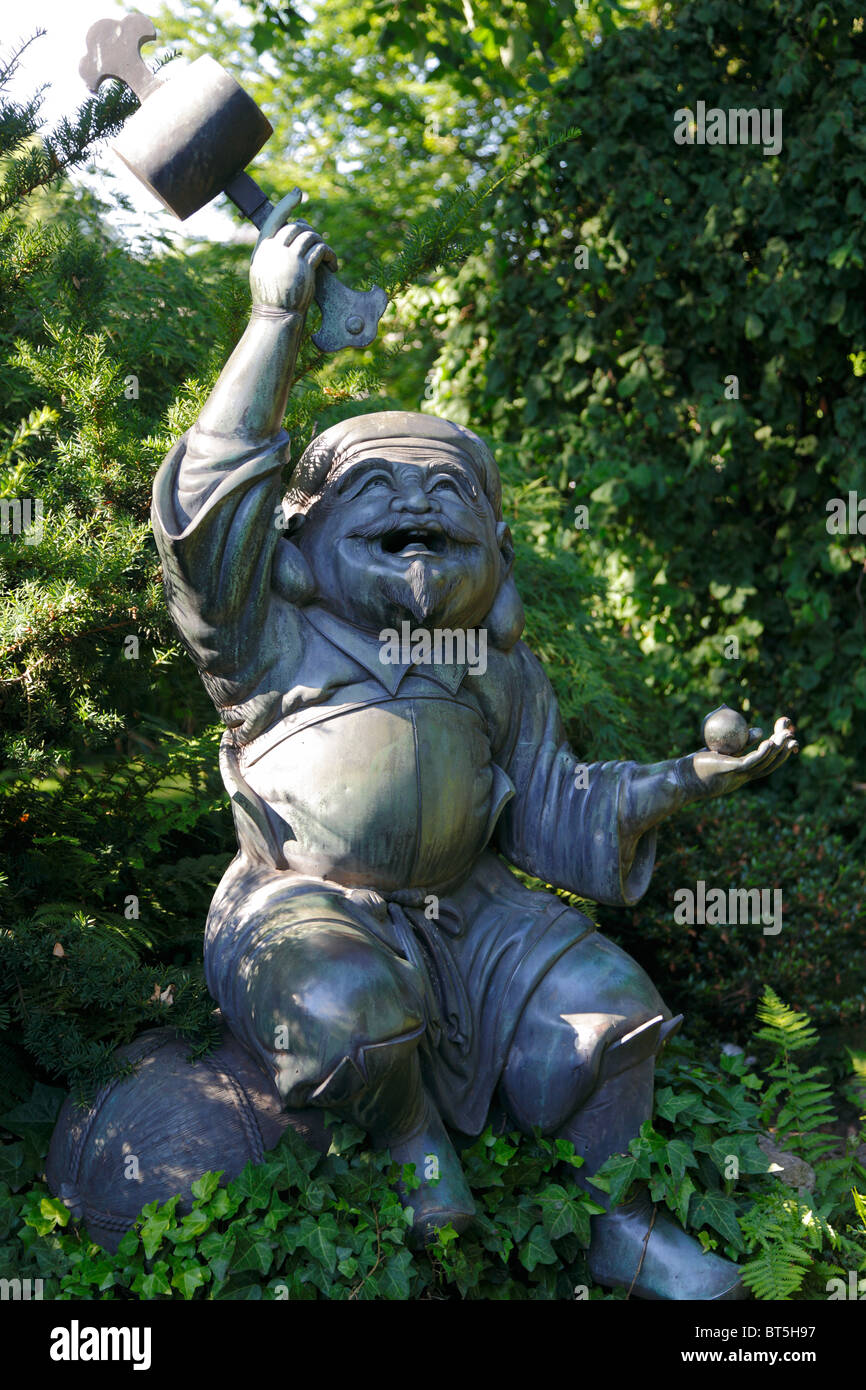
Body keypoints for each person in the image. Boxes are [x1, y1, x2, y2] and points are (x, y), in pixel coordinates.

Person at [151, 199, 798, 1299]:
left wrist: (686, 777)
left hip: (473, 906)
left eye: (447, 492)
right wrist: (272, 320)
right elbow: (207, 514)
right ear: (301, 536)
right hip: (303, 902)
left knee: (610, 1005)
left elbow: (554, 803)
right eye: (378, 490)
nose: (416, 503)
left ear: (494, 552)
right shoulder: (268, 633)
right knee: (344, 1012)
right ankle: (411, 1154)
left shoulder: (494, 669)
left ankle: (616, 1221)